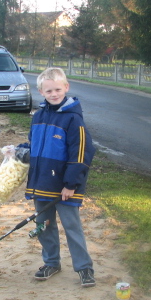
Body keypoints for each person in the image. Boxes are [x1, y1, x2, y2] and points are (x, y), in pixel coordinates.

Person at [23, 67, 97, 288]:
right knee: (44, 225)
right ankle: (51, 263)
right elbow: (34, 147)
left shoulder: (74, 120)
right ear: (41, 91)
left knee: (72, 227)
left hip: (65, 187)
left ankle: (84, 268)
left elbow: (82, 153)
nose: (53, 94)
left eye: (57, 89)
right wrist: (18, 152)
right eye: (48, 91)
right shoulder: (38, 117)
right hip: (42, 183)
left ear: (66, 87)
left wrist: (70, 184)